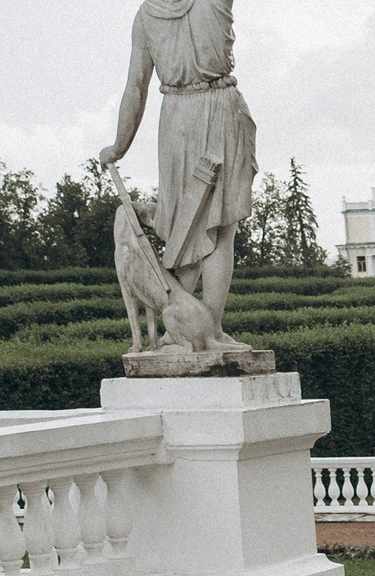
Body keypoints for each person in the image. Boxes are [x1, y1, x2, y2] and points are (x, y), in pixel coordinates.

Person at [99, 0, 255, 333]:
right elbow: (136, 87)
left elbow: (136, 87)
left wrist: (118, 146)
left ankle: (183, 329)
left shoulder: (146, 14)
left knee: (184, 227)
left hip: (176, 117)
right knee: (218, 227)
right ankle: (208, 328)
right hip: (219, 106)